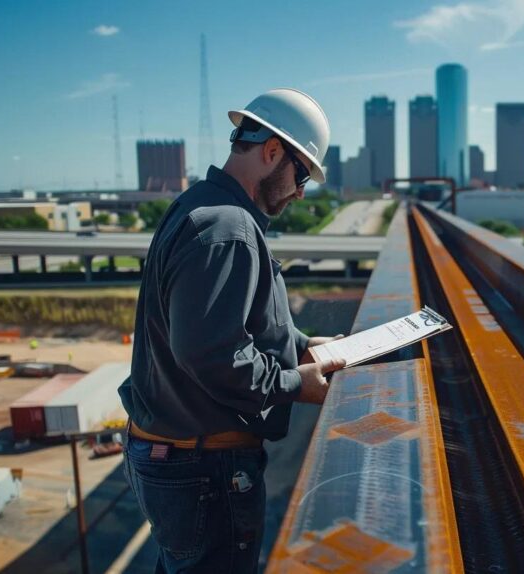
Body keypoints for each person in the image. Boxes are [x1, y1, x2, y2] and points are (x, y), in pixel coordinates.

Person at [117, 88, 345, 573]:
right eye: (302, 174)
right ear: (271, 152)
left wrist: (303, 346)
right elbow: (211, 352)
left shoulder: (200, 206)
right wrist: (292, 384)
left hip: (179, 460)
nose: (301, 191)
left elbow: (224, 322)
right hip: (203, 469)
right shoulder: (229, 229)